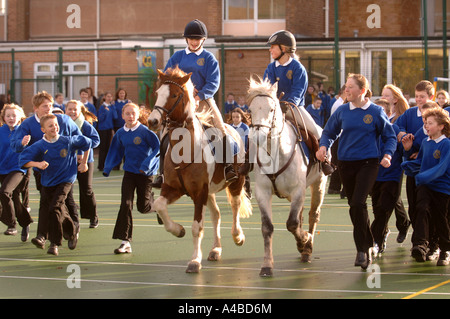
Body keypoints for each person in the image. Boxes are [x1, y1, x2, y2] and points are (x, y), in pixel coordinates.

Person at [316, 73, 397, 270]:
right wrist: (323, 146)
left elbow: (390, 136)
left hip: (368, 163)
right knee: (354, 206)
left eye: (350, 87)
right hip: (345, 164)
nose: (346, 90)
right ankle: (368, 244)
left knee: (359, 201)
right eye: (345, 86)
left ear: (361, 91)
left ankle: (362, 250)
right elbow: (329, 132)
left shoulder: (376, 112)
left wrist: (387, 155)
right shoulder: (342, 111)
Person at [153, 19, 237, 187]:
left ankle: (228, 168)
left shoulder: (209, 58)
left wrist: (198, 97)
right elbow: (168, 78)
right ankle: (161, 173)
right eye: (191, 38)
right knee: (164, 134)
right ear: (186, 39)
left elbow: (214, 82)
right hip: (178, 103)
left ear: (203, 40)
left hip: (204, 100)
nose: (193, 41)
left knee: (219, 128)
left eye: (197, 39)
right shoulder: (177, 56)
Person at [10, 91, 83, 249]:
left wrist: (82, 157)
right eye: (45, 106)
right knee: (48, 204)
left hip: (64, 171)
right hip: (42, 171)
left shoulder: (63, 119)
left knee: (59, 204)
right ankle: (51, 235)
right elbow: (15, 145)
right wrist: (21, 143)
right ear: (36, 108)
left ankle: (57, 235)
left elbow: (79, 137)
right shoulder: (28, 124)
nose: (49, 109)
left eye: (51, 105)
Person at [18, 114, 92, 256]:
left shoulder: (67, 141)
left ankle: (54, 243)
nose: (55, 127)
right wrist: (37, 163)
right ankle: (70, 232)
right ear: (43, 129)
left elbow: (87, 142)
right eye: (50, 126)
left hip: (66, 179)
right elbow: (23, 160)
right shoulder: (40, 145)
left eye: (56, 124)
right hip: (48, 180)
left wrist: (83, 163)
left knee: (55, 207)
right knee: (46, 208)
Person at [103, 103, 160, 254]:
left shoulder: (145, 132)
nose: (130, 116)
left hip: (145, 174)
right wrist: (108, 167)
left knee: (143, 207)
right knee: (126, 204)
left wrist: (147, 164)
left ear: (138, 115)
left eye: (133, 113)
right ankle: (125, 241)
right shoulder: (120, 133)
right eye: (127, 114)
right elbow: (115, 150)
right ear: (122, 116)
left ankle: (157, 206)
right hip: (129, 173)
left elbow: (158, 148)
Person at [401, 107, 450, 266]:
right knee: (421, 209)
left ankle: (444, 250)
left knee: (440, 218)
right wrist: (407, 163)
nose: (426, 126)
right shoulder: (425, 142)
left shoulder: (446, 144)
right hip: (425, 186)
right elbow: (420, 161)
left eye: (430, 123)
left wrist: (422, 176)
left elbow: (441, 168)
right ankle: (421, 245)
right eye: (425, 123)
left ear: (441, 126)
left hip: (442, 188)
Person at [395, 80, 435, 245]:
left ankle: (426, 242)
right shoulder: (410, 114)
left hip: (431, 172)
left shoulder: (438, 117)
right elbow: (396, 128)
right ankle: (421, 240)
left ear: (431, 97)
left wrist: (423, 151)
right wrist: (402, 135)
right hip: (413, 170)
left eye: (422, 97)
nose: (419, 100)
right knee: (413, 206)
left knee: (427, 207)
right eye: (417, 96)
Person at [370, 98, 405, 256]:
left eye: (382, 111)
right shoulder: (370, 132)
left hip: (392, 177)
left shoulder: (395, 129)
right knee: (378, 211)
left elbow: (404, 151)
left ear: (389, 114)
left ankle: (373, 241)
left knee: (384, 209)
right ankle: (384, 234)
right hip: (374, 177)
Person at [380, 84, 411, 243]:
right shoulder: (381, 115)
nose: (384, 98)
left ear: (395, 99)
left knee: (391, 198)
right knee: (393, 198)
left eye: (387, 95)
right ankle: (403, 223)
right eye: (382, 95)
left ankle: (382, 230)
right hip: (381, 164)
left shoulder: (401, 118)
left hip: (396, 162)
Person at [0, 104, 33, 241]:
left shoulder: (24, 132)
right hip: (2, 168)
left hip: (17, 168)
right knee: (13, 198)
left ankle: (11, 225)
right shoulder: (1, 131)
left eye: (14, 115)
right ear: (3, 117)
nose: (11, 118)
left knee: (5, 192)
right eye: (8, 115)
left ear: (20, 117)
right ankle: (25, 223)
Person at [65, 100, 100, 228]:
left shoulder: (85, 125)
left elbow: (96, 141)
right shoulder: (62, 124)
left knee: (86, 189)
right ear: (65, 110)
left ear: (80, 111)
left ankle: (93, 216)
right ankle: (71, 218)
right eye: (70, 109)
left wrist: (82, 148)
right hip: (68, 162)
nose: (72, 112)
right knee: (68, 191)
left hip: (85, 161)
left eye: (75, 109)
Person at [229, 108, 251, 198]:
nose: (235, 119)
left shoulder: (245, 127)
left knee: (244, 173)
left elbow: (246, 141)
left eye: (237, 117)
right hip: (232, 153)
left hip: (242, 153)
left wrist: (244, 152)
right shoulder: (229, 127)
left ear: (241, 118)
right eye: (233, 117)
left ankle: (248, 192)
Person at [97, 91, 117, 171]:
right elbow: (100, 119)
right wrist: (105, 112)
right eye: (108, 96)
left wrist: (113, 108)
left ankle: (107, 164)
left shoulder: (111, 106)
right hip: (103, 129)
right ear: (105, 97)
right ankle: (100, 166)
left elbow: (115, 117)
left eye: (110, 97)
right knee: (103, 148)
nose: (109, 98)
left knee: (108, 147)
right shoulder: (102, 107)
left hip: (109, 129)